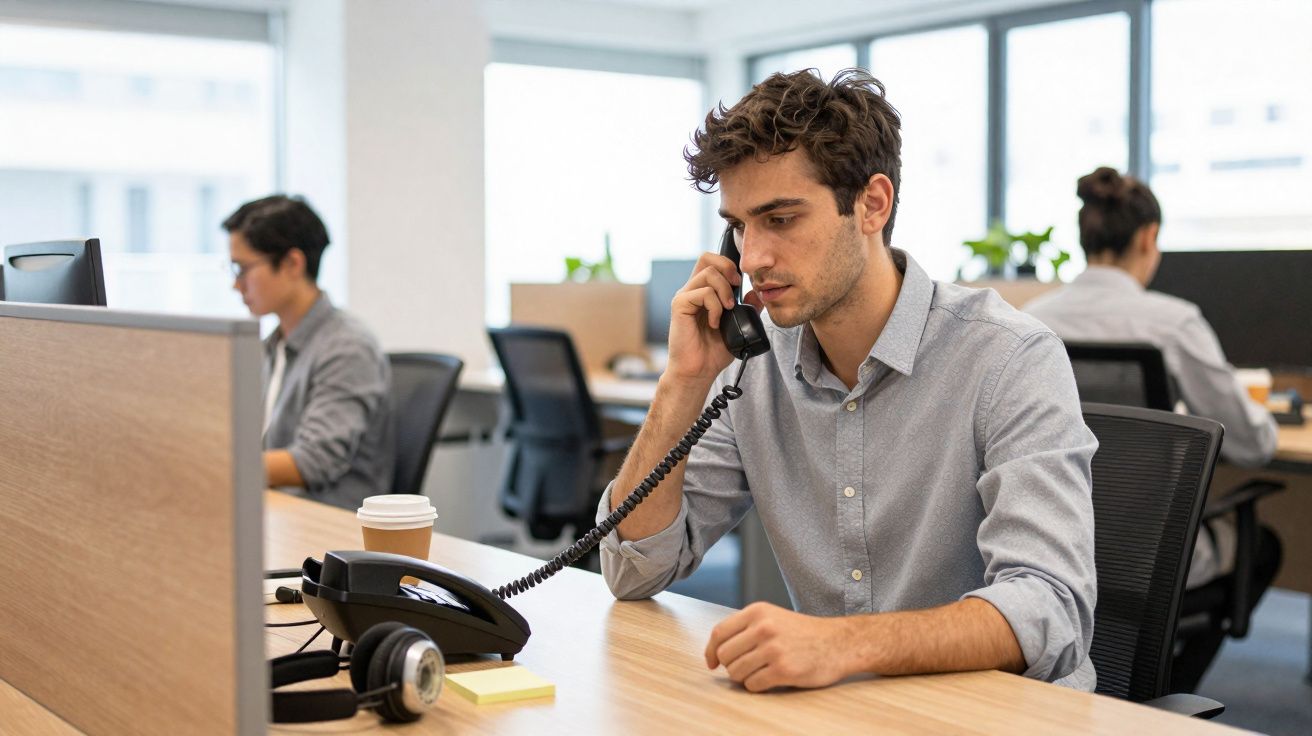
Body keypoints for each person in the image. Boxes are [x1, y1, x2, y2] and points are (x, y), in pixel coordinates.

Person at [597, 70, 1099, 692]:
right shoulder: (754, 366)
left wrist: (842, 645)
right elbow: (633, 570)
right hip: (843, 713)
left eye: (780, 219)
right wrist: (683, 383)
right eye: (739, 226)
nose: (751, 257)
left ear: (872, 203)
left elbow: (1051, 609)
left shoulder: (1009, 358)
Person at [1023, 167, 1282, 690]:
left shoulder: (1031, 320)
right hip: (1148, 553)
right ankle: (1164, 687)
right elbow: (1253, 446)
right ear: (1148, 238)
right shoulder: (1173, 322)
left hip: (1048, 546)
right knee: (1266, 545)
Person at [225, 194, 394, 510]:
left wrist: (221, 464)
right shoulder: (274, 346)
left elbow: (312, 461)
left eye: (243, 268)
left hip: (327, 528)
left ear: (292, 264)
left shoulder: (347, 347)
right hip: (279, 512)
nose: (237, 285)